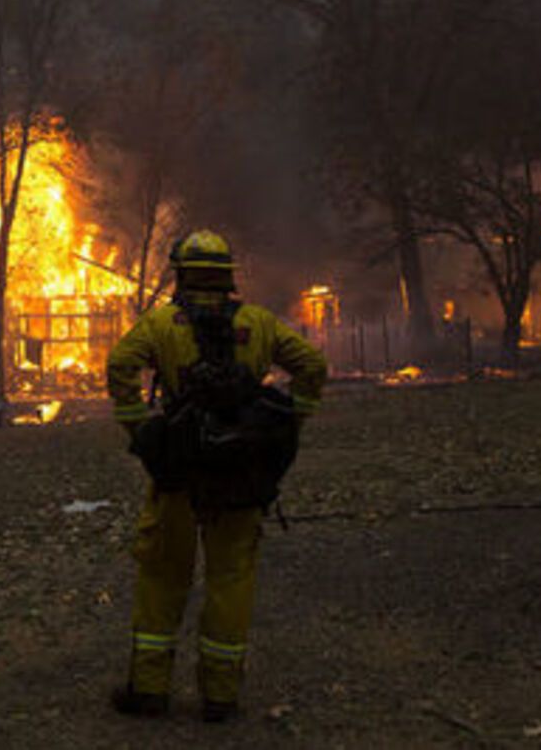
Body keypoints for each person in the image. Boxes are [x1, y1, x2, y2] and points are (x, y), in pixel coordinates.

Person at [106, 229, 327, 722]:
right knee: (230, 580)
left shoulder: (163, 323)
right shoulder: (258, 323)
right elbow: (312, 365)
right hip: (239, 478)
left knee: (163, 577)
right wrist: (293, 420)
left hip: (178, 475)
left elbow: (120, 364)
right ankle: (220, 697)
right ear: (227, 276)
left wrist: (141, 430)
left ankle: (149, 691)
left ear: (181, 274)